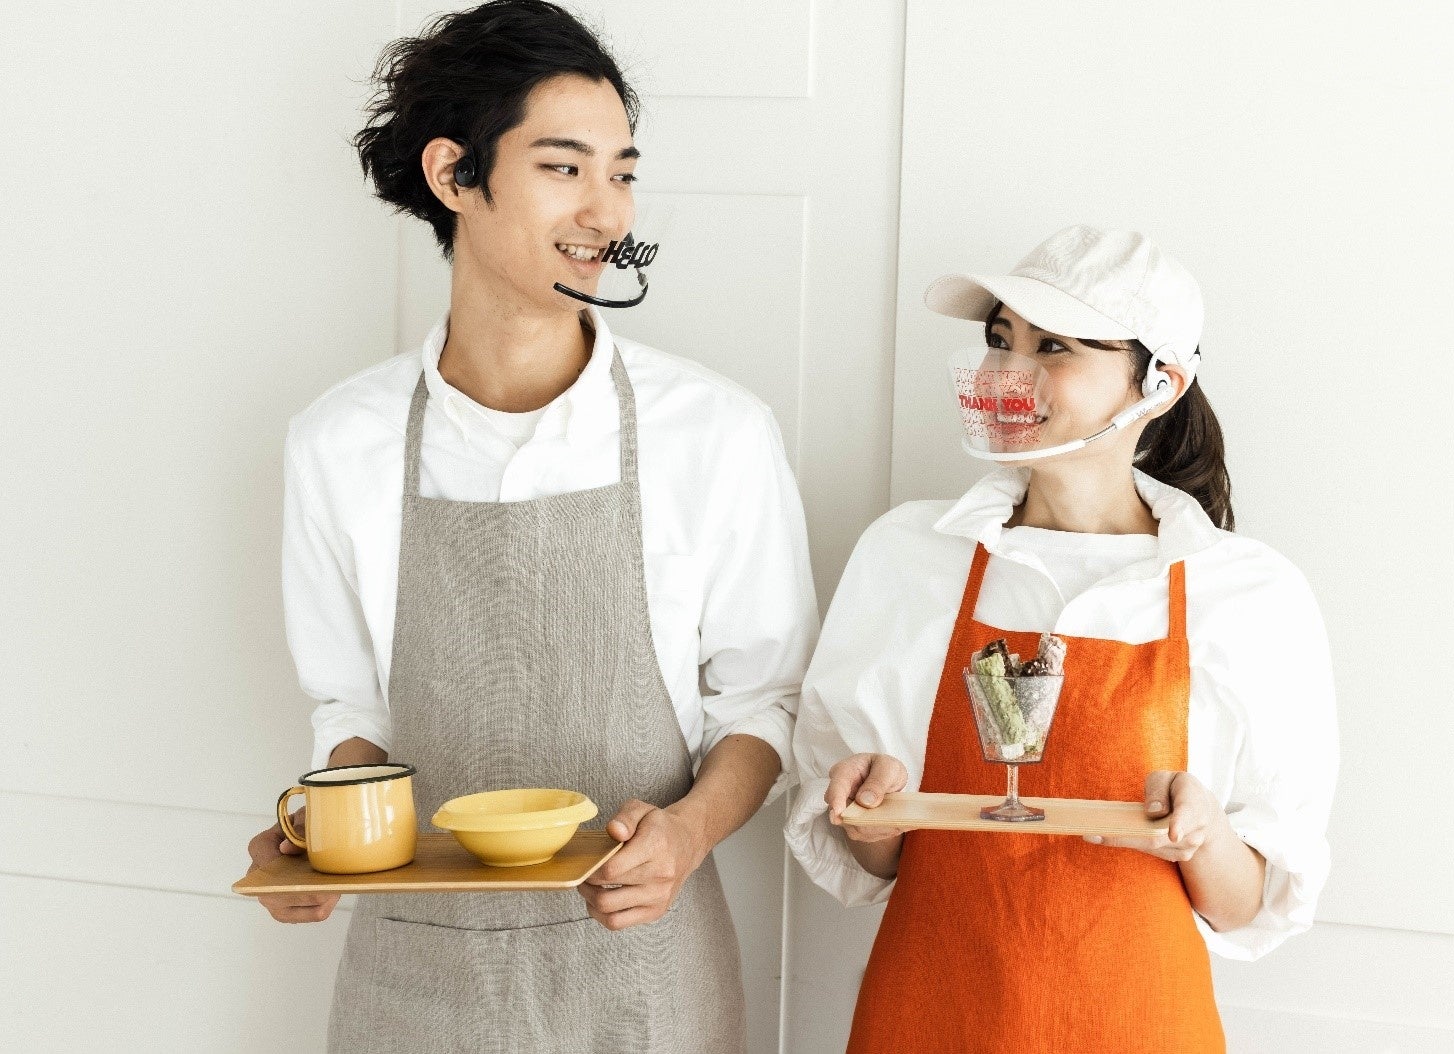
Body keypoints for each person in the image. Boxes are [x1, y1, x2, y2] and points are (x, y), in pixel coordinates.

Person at [242, 3, 818, 1050]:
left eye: (624, 170)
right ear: (456, 174)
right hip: (416, 978)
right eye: (565, 167)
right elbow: (352, 705)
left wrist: (686, 834)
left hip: (645, 974)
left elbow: (762, 703)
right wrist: (310, 831)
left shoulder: (718, 432)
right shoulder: (338, 441)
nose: (608, 209)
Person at [785, 224, 1338, 1052]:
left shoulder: (1247, 594)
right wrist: (869, 817)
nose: (1006, 374)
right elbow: (879, 869)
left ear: (1160, 380)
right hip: (932, 1015)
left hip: (1138, 1024)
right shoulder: (910, 556)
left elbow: (1244, 906)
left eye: (1053, 346)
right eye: (999, 339)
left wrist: (1204, 834)